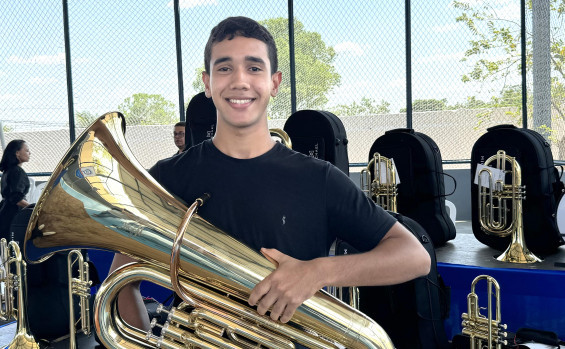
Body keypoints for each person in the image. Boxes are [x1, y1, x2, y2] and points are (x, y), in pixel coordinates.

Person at [110, 15, 430, 335]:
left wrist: (317, 272)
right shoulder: (165, 178)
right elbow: (122, 280)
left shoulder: (318, 179)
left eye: (254, 68)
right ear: (207, 83)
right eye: (224, 68)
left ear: (274, 83)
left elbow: (414, 257)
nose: (239, 81)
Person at [0, 140, 31, 240]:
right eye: (26, 150)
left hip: (5, 212)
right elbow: (16, 198)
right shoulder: (17, 171)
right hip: (13, 215)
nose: (29, 153)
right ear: (17, 153)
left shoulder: (8, 170)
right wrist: (33, 208)